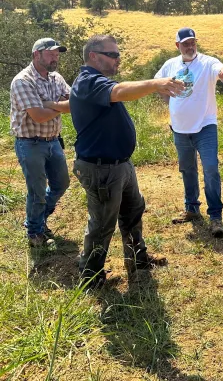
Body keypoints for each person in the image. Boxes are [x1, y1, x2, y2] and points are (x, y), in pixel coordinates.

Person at [69, 34, 185, 287]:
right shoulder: (88, 81)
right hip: (101, 168)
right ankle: (90, 277)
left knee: (133, 211)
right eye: (112, 54)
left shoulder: (97, 82)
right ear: (93, 56)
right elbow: (120, 91)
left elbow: (120, 92)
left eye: (118, 54)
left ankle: (137, 259)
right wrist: (156, 83)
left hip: (119, 164)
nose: (117, 59)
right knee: (102, 224)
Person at [155, 27, 223, 238]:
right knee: (187, 169)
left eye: (193, 42)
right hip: (179, 128)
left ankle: (215, 216)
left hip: (205, 126)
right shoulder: (170, 64)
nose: (190, 46)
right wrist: (169, 101)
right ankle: (191, 209)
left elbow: (220, 70)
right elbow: (157, 83)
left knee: (211, 169)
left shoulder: (207, 62)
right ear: (177, 46)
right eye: (186, 43)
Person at [10, 38, 71, 247]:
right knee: (37, 190)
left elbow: (74, 103)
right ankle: (35, 232)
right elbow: (38, 115)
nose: (56, 57)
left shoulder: (56, 78)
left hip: (53, 141)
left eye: (57, 54)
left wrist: (51, 104)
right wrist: (60, 106)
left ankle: (37, 220)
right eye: (51, 53)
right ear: (37, 54)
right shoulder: (23, 80)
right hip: (30, 143)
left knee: (62, 183)